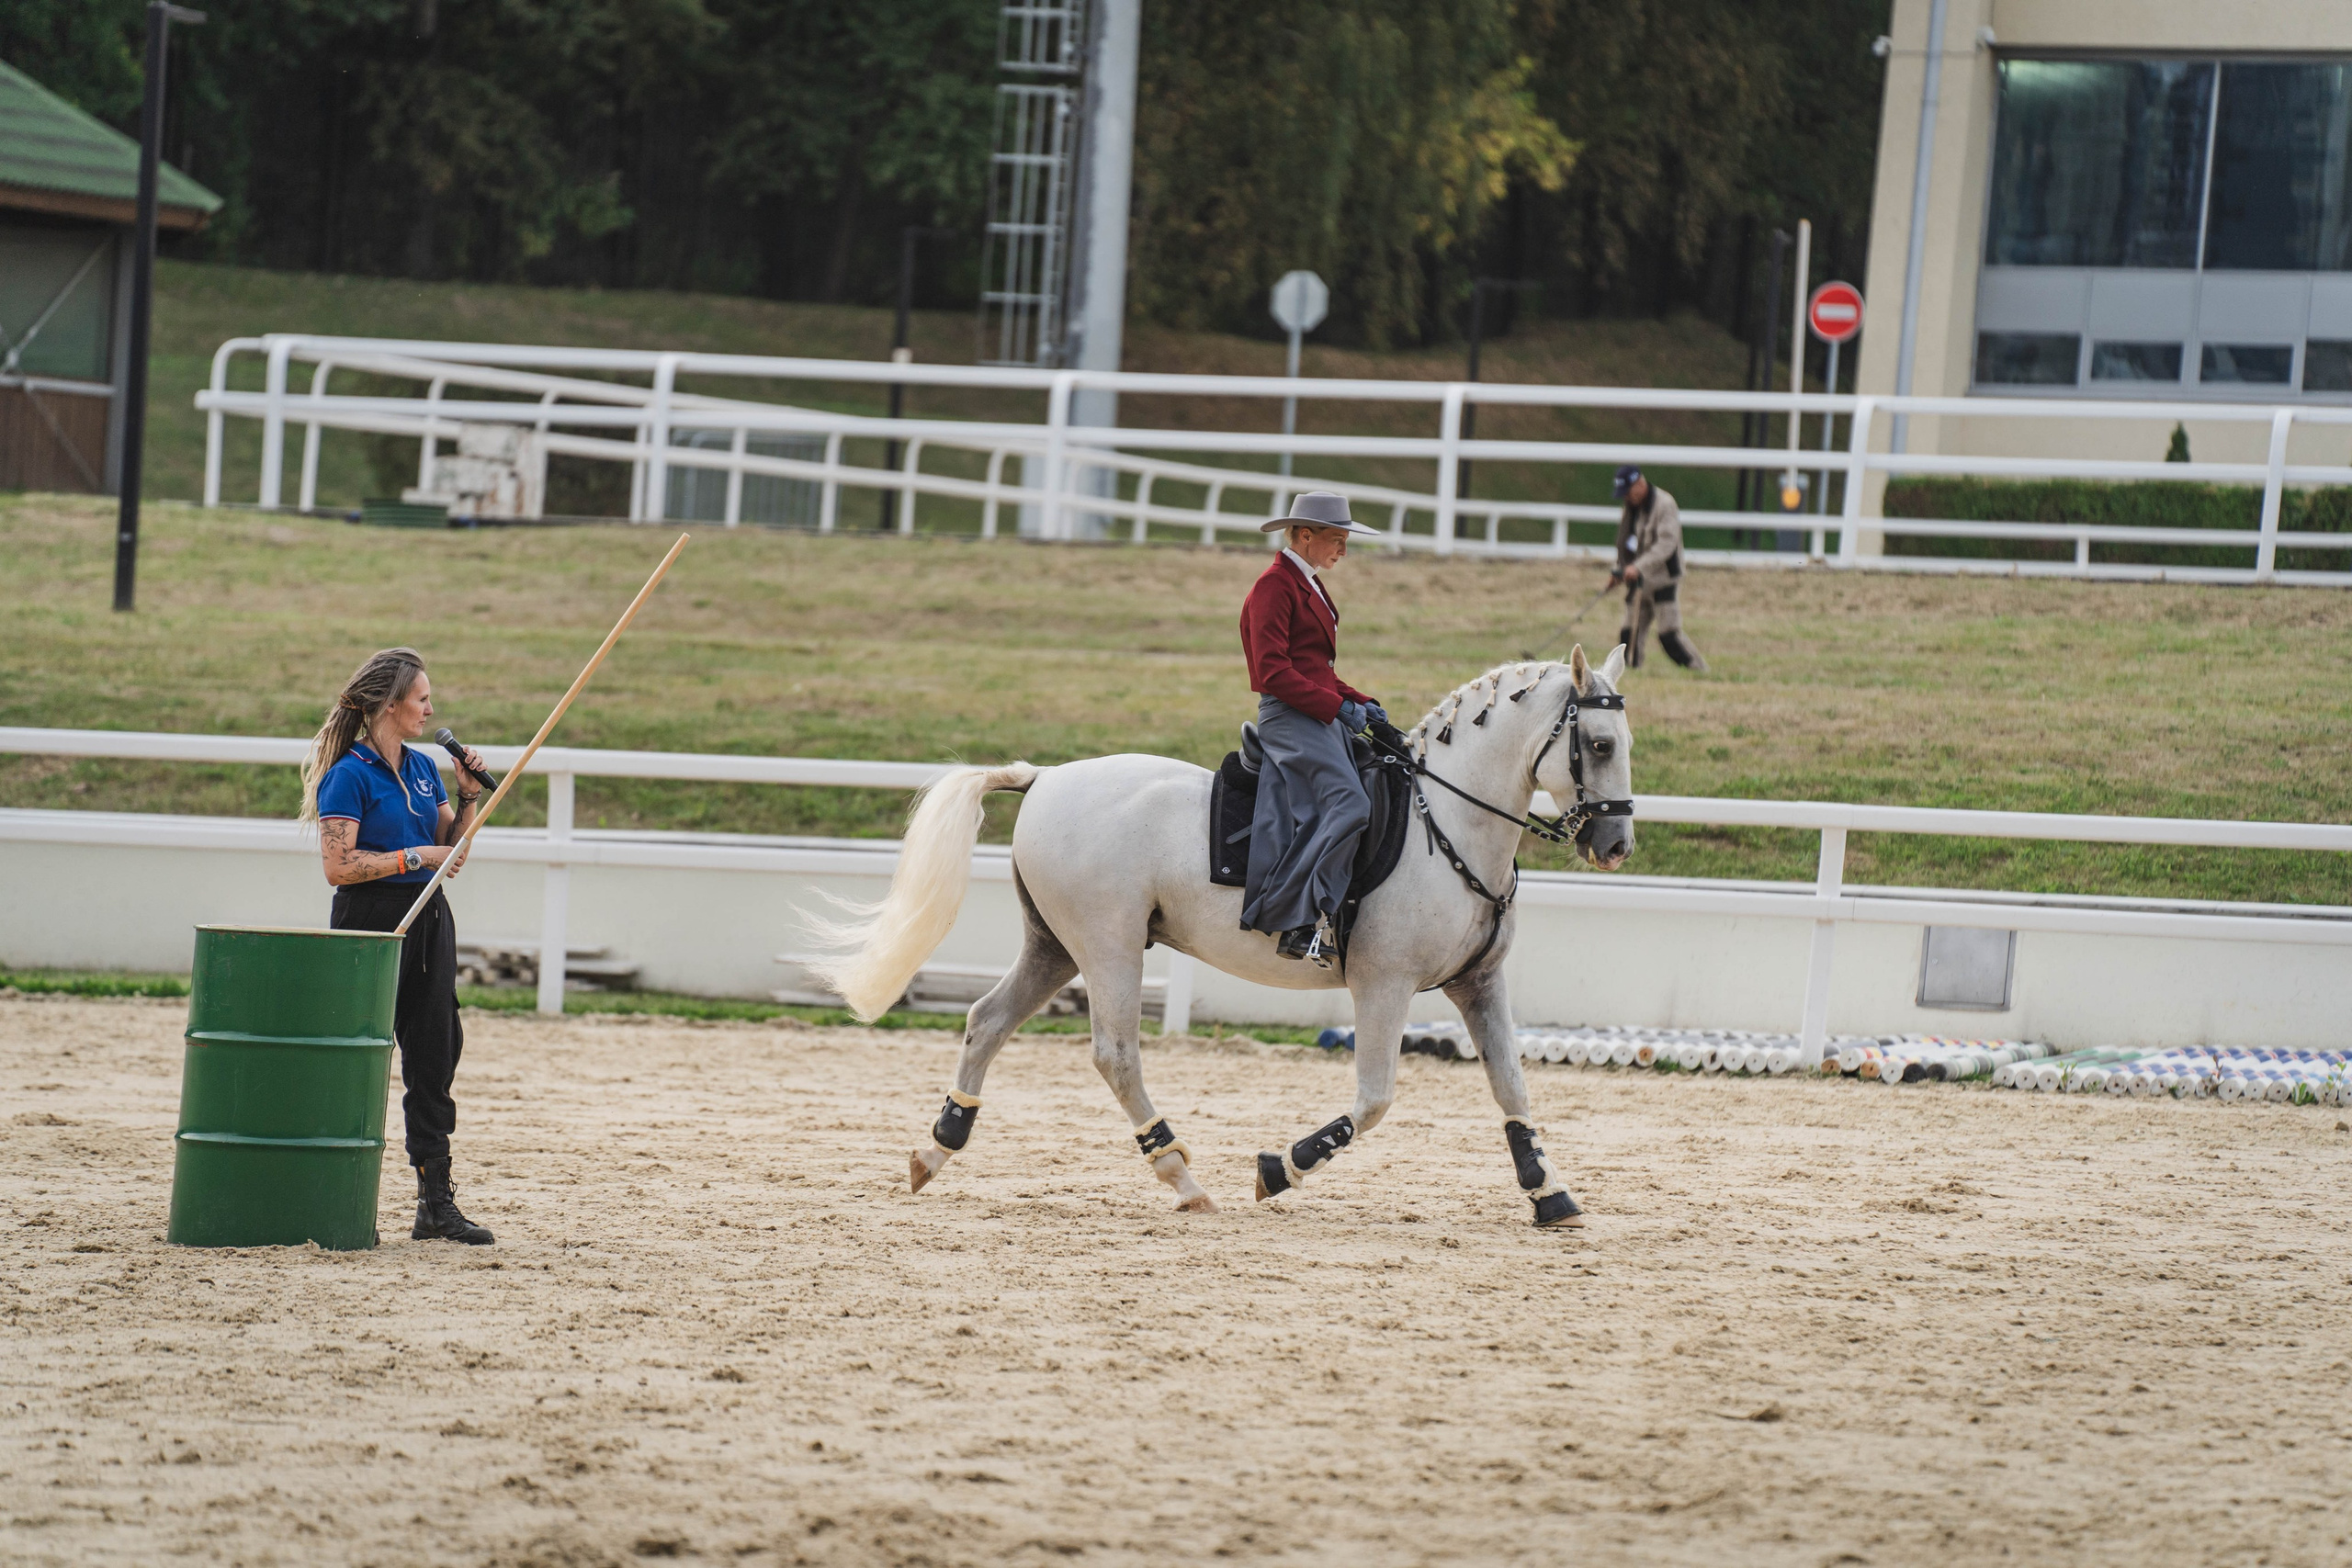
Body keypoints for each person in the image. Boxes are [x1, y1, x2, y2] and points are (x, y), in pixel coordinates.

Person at [300, 647, 495, 1247]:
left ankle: (435, 1204)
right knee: (356, 1061)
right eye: (422, 699)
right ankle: (329, 1195)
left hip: (429, 920)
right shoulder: (349, 774)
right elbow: (338, 865)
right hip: (372, 921)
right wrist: (416, 857)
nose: (432, 709)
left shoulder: (421, 767)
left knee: (436, 1055)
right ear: (390, 704)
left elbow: (450, 851)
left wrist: (466, 797)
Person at [1237, 491, 1390, 967]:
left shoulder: (1310, 583)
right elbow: (1272, 672)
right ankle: (1296, 919)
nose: (1343, 550)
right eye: (1338, 540)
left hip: (1315, 709)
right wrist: (1337, 708)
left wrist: (1360, 700)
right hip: (1289, 716)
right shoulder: (1274, 586)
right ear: (1306, 535)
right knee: (1348, 803)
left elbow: (1315, 667)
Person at [1609, 465, 1708, 671]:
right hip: (1638, 582)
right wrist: (1619, 569)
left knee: (1669, 635)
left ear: (1639, 484)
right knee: (1628, 634)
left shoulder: (1665, 504)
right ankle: (1630, 675)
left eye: (1628, 491)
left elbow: (1667, 544)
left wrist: (1638, 567)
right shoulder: (1631, 506)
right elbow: (1625, 541)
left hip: (1663, 579)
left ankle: (1698, 671)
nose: (1626, 497)